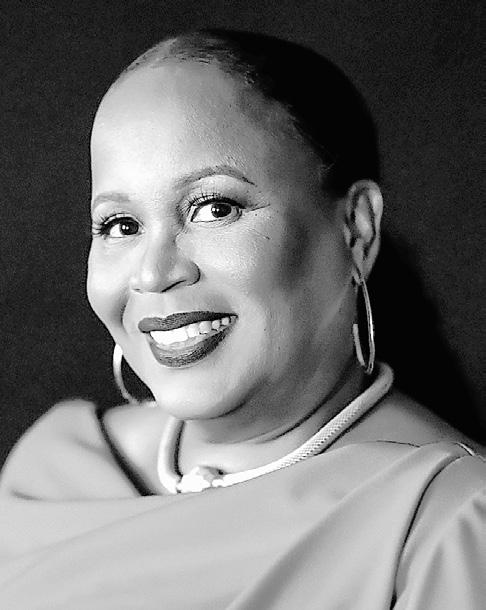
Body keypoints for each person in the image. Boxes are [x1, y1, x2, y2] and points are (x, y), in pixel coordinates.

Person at [0, 29, 484, 609]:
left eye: (214, 208)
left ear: (356, 229)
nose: (152, 273)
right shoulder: (52, 472)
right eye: (120, 226)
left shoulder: (446, 527)